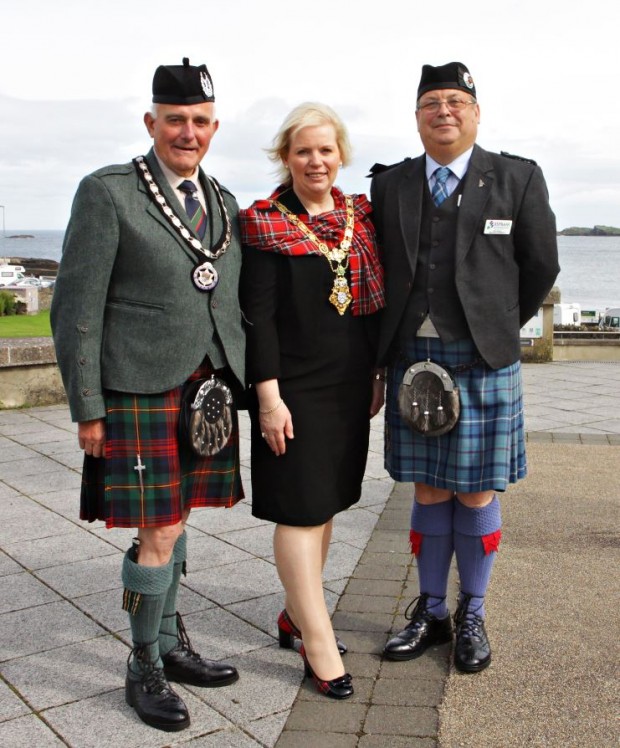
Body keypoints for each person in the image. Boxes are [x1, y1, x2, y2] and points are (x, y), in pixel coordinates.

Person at [51, 58, 246, 732]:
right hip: (135, 385)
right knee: (157, 530)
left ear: (212, 127)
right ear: (151, 122)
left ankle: (167, 641)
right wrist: (88, 405)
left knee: (177, 516)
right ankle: (144, 663)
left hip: (205, 389)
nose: (186, 132)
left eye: (198, 122)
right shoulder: (108, 193)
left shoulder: (221, 198)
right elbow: (77, 307)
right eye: (174, 121)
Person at [370, 62, 559, 673]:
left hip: (481, 358)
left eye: (456, 101)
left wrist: (495, 323)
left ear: (476, 112)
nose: (443, 111)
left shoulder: (517, 178)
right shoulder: (391, 183)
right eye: (431, 102)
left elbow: (540, 267)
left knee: (477, 492)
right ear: (417, 114)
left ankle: (472, 610)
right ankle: (431, 610)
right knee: (428, 487)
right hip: (412, 354)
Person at [238, 102, 385, 699]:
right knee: (299, 509)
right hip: (292, 388)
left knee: (325, 503)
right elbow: (258, 320)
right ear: (285, 158)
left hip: (349, 384)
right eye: (303, 151)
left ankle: (296, 614)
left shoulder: (360, 217)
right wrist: (268, 399)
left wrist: (376, 373)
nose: (315, 161)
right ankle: (317, 643)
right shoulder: (266, 223)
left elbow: (375, 308)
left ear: (340, 154)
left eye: (325, 150)